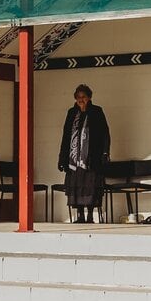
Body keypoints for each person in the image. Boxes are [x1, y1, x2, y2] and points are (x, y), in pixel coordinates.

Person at [58, 85, 112, 224]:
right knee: (77, 187)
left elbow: (105, 133)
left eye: (83, 97)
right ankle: (80, 216)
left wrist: (105, 152)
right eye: (78, 97)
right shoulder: (71, 113)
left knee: (90, 187)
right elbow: (66, 136)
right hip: (74, 160)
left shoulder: (96, 111)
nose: (81, 100)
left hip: (91, 158)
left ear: (89, 98)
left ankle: (89, 217)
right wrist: (62, 157)